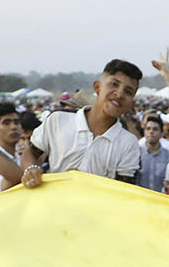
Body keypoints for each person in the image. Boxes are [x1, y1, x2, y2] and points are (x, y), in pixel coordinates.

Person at [20, 59, 143, 187]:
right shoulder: (57, 120)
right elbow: (31, 152)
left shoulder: (128, 143)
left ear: (132, 104)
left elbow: (124, 190)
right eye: (114, 84)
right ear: (97, 87)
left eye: (128, 92)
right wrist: (31, 169)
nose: (119, 94)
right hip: (52, 205)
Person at [137, 115, 169, 193]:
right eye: (148, 129)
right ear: (144, 131)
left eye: (155, 129)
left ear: (161, 133)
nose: (151, 132)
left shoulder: (168, 156)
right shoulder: (136, 153)